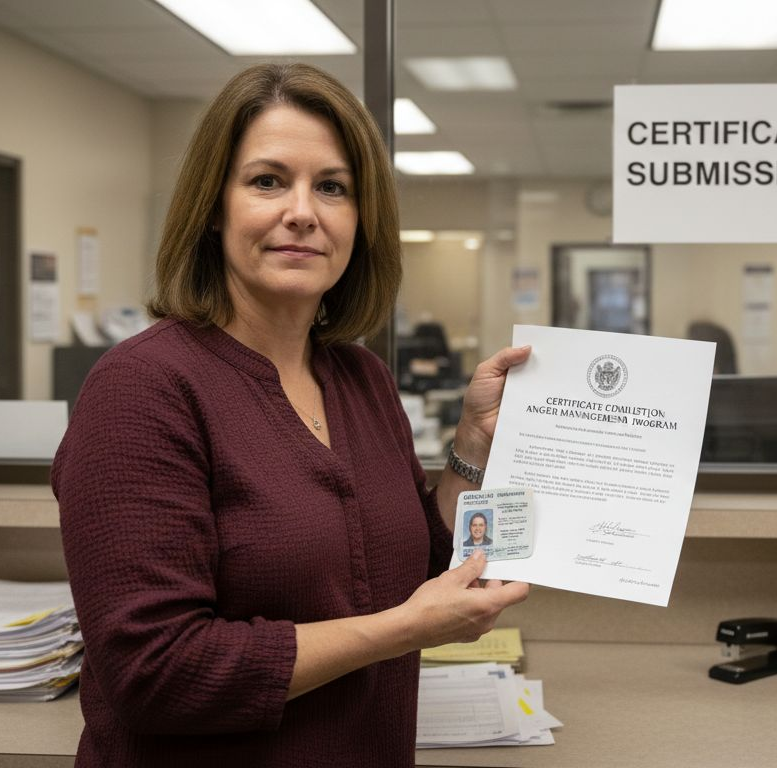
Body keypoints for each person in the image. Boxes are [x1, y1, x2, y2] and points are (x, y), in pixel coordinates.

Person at [53, 63, 529, 767]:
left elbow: (414, 571)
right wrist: (402, 630)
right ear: (214, 207)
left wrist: (471, 445)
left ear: (360, 220)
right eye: (268, 180)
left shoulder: (359, 378)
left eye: (332, 187)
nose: (302, 211)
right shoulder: (142, 388)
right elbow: (154, 672)